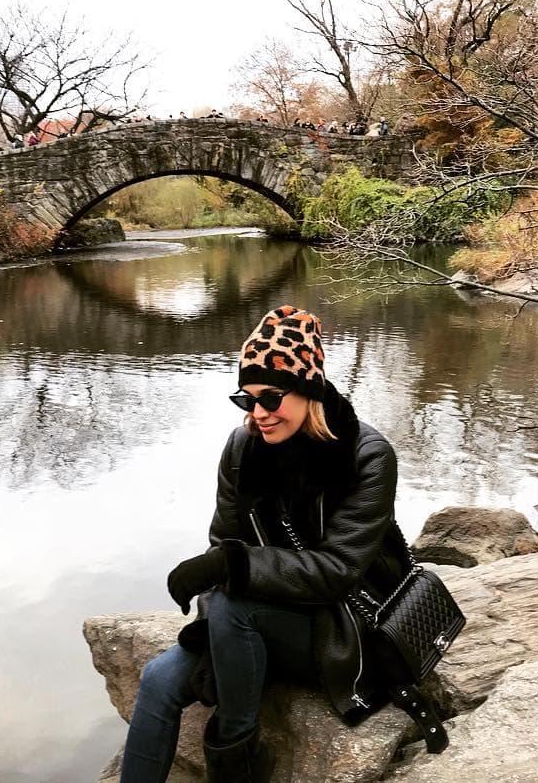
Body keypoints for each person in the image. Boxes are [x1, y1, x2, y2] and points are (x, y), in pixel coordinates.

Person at [118, 305, 409, 783]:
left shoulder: (368, 456)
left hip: (342, 625)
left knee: (235, 609)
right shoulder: (242, 448)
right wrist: (214, 631)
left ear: (309, 390)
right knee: (159, 678)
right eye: (246, 400)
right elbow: (224, 545)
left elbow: (337, 572)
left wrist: (231, 570)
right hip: (252, 618)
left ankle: (238, 759)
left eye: (271, 398)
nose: (258, 414)